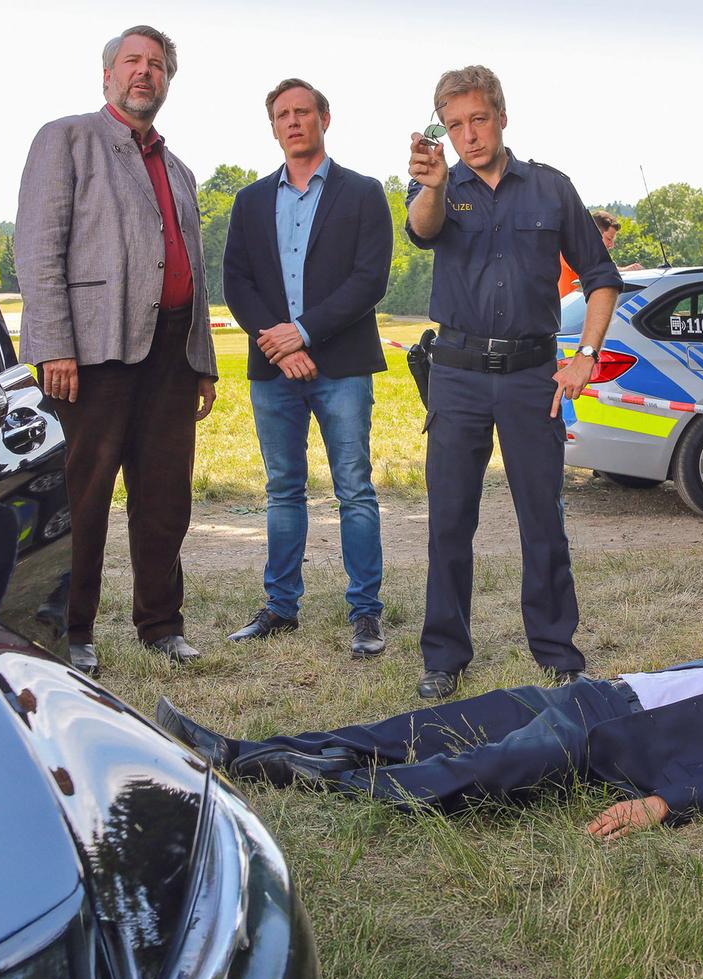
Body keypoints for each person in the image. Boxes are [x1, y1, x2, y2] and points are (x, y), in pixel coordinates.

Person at [404, 65, 622, 699]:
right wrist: (436, 184)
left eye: (478, 119)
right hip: (458, 374)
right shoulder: (437, 187)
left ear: (501, 116)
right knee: (449, 518)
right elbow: (421, 229)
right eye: (454, 126)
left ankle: (556, 650)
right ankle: (444, 655)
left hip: (533, 376)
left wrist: (585, 353)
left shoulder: (551, 189)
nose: (468, 135)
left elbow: (601, 276)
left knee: (542, 517)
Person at [151, 659, 703, 839]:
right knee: (406, 731)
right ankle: (239, 750)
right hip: (588, 694)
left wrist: (661, 805)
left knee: (452, 775)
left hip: (600, 737)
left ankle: (309, 780)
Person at [15, 24, 219, 675]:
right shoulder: (66, 139)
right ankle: (72, 630)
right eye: (133, 61)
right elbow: (38, 246)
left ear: (166, 81)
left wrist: (202, 359)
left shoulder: (178, 167)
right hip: (93, 355)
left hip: (171, 357)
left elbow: (193, 267)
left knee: (165, 499)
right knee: (85, 499)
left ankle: (161, 624)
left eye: (157, 64)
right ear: (108, 75)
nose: (145, 72)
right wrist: (53, 346)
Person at [221, 78, 393, 653]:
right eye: (282, 114)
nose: (293, 121)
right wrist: (282, 345)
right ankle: (280, 607)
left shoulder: (364, 193)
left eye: (303, 111)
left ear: (325, 117)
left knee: (354, 489)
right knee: (283, 489)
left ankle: (366, 613)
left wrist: (304, 332)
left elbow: (369, 280)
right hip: (273, 370)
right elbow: (237, 283)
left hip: (341, 366)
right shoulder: (248, 202)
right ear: (272, 126)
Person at [559, 210, 642, 296]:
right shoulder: (572, 250)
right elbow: (595, 268)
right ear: (595, 234)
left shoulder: (592, 256)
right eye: (609, 239)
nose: (612, 245)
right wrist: (626, 270)